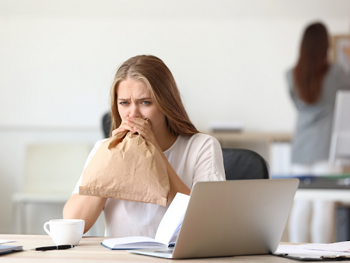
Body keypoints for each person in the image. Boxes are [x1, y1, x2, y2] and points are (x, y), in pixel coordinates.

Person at [63, 55, 226, 237]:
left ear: (166, 104)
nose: (133, 114)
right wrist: (110, 162)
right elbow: (74, 223)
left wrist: (156, 154)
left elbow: (206, 222)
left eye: (145, 102)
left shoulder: (202, 146)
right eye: (124, 103)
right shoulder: (103, 149)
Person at [286, 22, 350, 243]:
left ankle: (294, 253)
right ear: (325, 45)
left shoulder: (291, 75)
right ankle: (322, 255)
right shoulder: (337, 73)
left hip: (301, 147)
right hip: (326, 148)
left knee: (301, 202)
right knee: (324, 204)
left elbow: (297, 105)